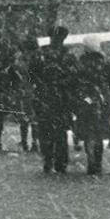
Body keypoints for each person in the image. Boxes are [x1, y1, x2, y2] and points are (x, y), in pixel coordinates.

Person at [71, 38, 110, 176]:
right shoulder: (105, 63)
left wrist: (75, 99)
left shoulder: (80, 63)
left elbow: (73, 82)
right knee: (99, 133)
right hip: (103, 100)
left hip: (86, 100)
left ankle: (91, 159)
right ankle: (97, 162)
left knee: (88, 132)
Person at [31, 26, 76, 175]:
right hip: (58, 97)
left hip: (50, 97)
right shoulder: (68, 55)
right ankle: (58, 161)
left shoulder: (41, 54)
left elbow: (32, 75)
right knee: (57, 131)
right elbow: (74, 76)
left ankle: (50, 159)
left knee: (48, 130)